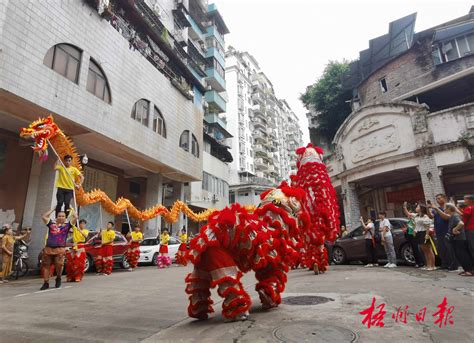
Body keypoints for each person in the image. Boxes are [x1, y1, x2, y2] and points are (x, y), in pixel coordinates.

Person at [40, 208, 76, 290]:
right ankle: (46, 282)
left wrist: (72, 209)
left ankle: (58, 278)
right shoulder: (51, 224)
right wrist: (53, 209)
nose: (61, 217)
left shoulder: (67, 226)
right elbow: (44, 216)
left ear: (65, 218)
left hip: (60, 249)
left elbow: (75, 217)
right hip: (48, 249)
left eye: (63, 216)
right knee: (46, 266)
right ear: (56, 217)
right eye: (59, 216)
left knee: (59, 265)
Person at [428, 194, 458, 271]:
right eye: (436, 199)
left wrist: (437, 209)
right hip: (438, 231)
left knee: (450, 249)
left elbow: (446, 217)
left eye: (439, 198)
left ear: (444, 198)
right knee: (442, 249)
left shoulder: (449, 207)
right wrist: (427, 209)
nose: (437, 200)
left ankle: (453, 265)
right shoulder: (436, 209)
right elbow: (431, 216)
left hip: (447, 231)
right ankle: (444, 264)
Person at [403, 203, 435, 271]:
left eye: (418, 207)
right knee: (424, 250)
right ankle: (427, 265)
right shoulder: (416, 216)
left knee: (428, 250)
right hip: (419, 233)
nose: (416, 208)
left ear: (421, 209)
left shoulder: (425, 216)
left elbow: (427, 226)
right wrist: (404, 207)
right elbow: (408, 214)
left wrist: (427, 234)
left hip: (424, 233)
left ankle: (432, 265)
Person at [445, 203, 473, 276]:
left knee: (463, 255)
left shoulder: (455, 215)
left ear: (449, 209)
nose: (445, 210)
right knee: (459, 255)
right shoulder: (452, 216)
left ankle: (469, 270)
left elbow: (461, 223)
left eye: (446, 208)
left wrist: (455, 229)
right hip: (456, 239)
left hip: (460, 238)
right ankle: (466, 269)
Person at [402, 203, 423, 268]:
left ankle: (420, 262)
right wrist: (404, 207)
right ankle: (417, 262)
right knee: (413, 249)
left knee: (417, 249)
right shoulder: (410, 220)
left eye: (418, 207)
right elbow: (407, 213)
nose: (409, 215)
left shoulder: (417, 216)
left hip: (416, 235)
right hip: (410, 235)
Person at [461, 195, 474, 259]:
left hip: (470, 230)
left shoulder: (468, 208)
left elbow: (464, 220)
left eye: (465, 199)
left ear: (470, 200)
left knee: (472, 247)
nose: (464, 201)